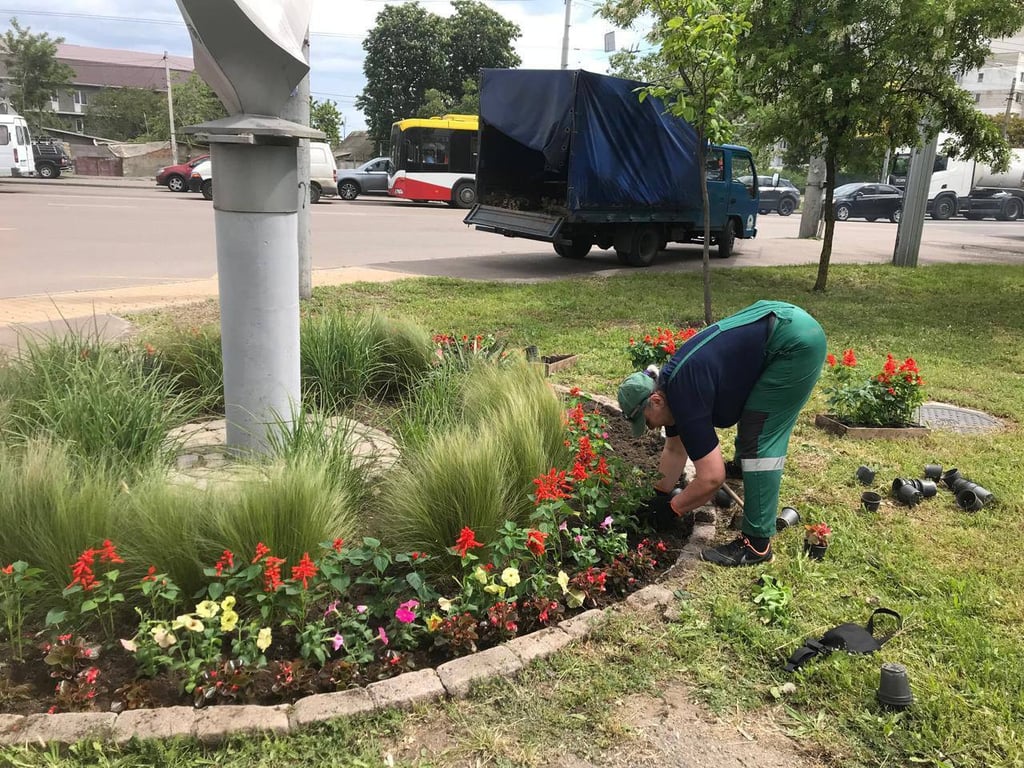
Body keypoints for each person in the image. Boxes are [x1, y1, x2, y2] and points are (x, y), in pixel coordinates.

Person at [617, 300, 826, 566]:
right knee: (752, 425)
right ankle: (744, 469)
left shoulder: (684, 395)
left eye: (646, 421)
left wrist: (673, 509)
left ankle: (757, 544)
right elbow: (674, 448)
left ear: (655, 401)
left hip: (795, 344)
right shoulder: (669, 387)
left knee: (758, 435)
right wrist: (658, 497)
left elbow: (713, 478)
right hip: (780, 324)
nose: (650, 428)